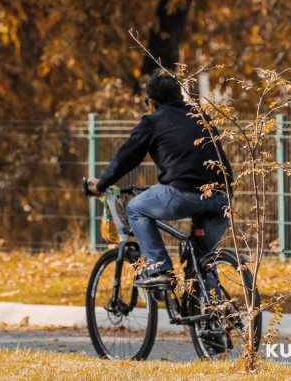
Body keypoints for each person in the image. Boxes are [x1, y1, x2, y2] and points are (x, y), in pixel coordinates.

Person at [86, 68, 233, 289]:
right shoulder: (200, 116)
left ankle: (160, 269)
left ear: (151, 102)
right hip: (222, 199)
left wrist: (101, 184)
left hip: (185, 193)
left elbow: (125, 159)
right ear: (179, 96)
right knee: (204, 260)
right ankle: (213, 308)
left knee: (135, 208)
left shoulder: (152, 121)